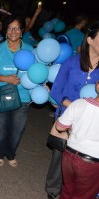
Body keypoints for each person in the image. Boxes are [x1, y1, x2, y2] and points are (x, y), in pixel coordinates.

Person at [45, 21, 99, 199]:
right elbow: (56, 90)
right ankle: (53, 192)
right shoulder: (72, 62)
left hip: (91, 124)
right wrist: (71, 106)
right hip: (66, 118)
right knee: (59, 159)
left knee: (86, 167)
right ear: (90, 40)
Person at [0, 15, 33, 168]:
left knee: (17, 129)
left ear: (22, 31)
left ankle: (11, 153)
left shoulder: (30, 50)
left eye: (17, 28)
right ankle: (0, 152)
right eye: (10, 28)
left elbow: (39, 71)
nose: (13, 31)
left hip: (23, 96)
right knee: (0, 128)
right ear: (6, 31)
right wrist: (6, 79)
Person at [55, 81, 99, 199]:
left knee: (67, 191)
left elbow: (59, 127)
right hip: (92, 162)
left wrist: (73, 129)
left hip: (69, 155)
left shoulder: (79, 103)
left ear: (97, 86)